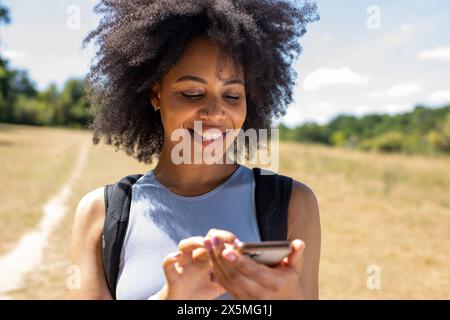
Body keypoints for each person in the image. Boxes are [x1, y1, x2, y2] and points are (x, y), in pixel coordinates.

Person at [70, 0, 320, 300]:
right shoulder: (101, 213)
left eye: (232, 95)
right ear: (155, 94)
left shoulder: (292, 203)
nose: (215, 113)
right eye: (192, 93)